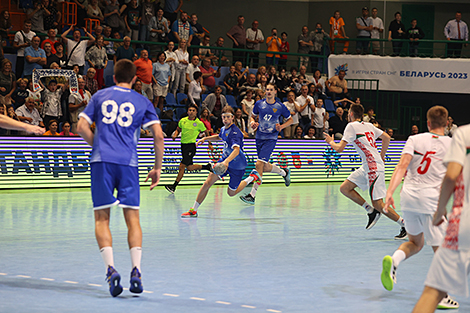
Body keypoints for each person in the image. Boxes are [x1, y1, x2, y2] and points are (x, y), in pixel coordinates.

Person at [76, 59, 164, 297]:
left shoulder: (99, 96)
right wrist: (157, 167)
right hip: (128, 163)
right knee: (132, 218)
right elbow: (158, 135)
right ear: (135, 79)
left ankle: (111, 269)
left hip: (101, 162)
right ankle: (136, 269)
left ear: (113, 77)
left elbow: (81, 127)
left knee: (102, 219)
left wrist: (98, 146)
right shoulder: (142, 100)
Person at [381, 106, 459, 309]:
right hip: (432, 202)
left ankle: (394, 261)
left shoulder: (414, 139)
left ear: (428, 123)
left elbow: (401, 167)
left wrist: (389, 193)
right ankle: (441, 295)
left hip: (408, 197)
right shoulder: (452, 144)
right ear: (447, 123)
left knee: (416, 242)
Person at [324, 103, 407, 239]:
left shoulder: (351, 126)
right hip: (367, 166)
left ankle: (404, 224)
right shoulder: (369, 125)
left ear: (351, 114)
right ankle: (370, 211)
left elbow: (339, 148)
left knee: (379, 204)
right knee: (345, 188)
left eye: (348, 113)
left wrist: (330, 142)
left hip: (373, 167)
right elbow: (386, 137)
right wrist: (382, 155)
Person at [413, 124, 470, 313]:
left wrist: (440, 209)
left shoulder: (463, 134)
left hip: (464, 221)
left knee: (433, 291)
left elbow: (451, 176)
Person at [181, 106, 250, 217]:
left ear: (232, 118)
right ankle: (193, 210)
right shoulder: (223, 129)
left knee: (231, 193)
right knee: (208, 182)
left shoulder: (235, 133)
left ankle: (251, 177)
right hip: (224, 161)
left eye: (228, 117)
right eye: (224, 117)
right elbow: (219, 137)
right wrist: (205, 139)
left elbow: (236, 150)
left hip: (237, 165)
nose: (226, 119)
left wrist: (226, 162)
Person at [240, 83, 293, 205]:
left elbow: (290, 120)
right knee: (263, 166)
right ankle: (284, 172)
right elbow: (252, 116)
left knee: (259, 164)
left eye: (271, 90)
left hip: (271, 138)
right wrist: (253, 122)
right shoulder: (259, 104)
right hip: (259, 137)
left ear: (275, 92)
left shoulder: (280, 106)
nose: (268, 91)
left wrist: (282, 127)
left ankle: (252, 195)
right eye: (267, 89)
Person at [165, 104, 212, 194]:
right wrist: (175, 134)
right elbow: (178, 129)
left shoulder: (199, 123)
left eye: (193, 110)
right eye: (190, 110)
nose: (191, 112)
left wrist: (209, 143)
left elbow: (206, 132)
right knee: (190, 167)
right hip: (183, 146)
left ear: (196, 113)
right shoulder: (183, 120)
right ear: (187, 112)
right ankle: (207, 166)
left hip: (191, 146)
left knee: (182, 166)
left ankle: (173, 186)